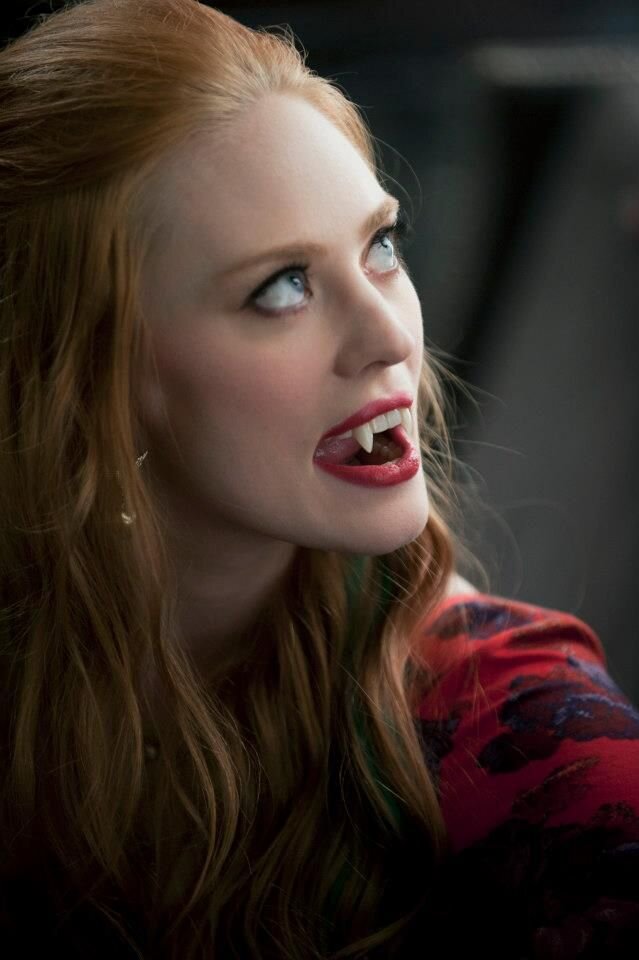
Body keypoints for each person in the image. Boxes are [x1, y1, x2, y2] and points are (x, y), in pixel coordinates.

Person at [0, 1, 637, 957]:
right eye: (282, 287)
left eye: (380, 245)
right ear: (76, 373)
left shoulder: (525, 729)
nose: (390, 337)